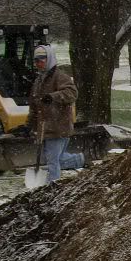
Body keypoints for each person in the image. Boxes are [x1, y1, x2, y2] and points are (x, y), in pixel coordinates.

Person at [28, 44, 84, 182]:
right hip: (46, 127)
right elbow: (34, 105)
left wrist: (53, 96)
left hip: (58, 126)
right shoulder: (39, 81)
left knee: (53, 161)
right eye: (36, 60)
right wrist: (29, 124)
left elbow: (72, 93)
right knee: (58, 159)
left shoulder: (59, 77)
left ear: (50, 59)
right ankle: (80, 159)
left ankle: (52, 186)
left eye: (42, 59)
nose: (38, 63)